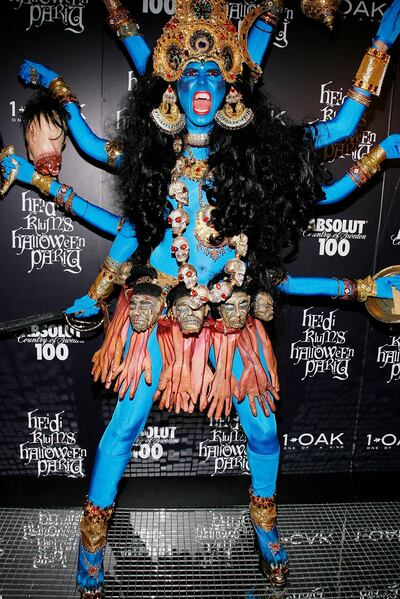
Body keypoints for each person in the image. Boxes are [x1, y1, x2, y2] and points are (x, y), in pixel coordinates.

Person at [2, 0, 400, 596]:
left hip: (235, 324)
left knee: (264, 434)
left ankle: (265, 527)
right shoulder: (154, 164)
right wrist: (97, 292)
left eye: (214, 72)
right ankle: (91, 543)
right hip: (158, 320)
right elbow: (127, 227)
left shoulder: (261, 160)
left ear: (231, 87)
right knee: (123, 428)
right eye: (189, 73)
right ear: (172, 87)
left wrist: (383, 45)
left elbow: (341, 129)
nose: (202, 83)